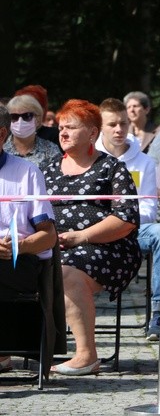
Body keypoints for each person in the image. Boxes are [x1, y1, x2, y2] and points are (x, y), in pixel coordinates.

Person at [43, 99, 141, 375]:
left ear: (92, 133)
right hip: (51, 246)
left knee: (66, 271)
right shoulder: (48, 169)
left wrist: (82, 236)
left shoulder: (112, 168)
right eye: (61, 127)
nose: (62, 133)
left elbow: (126, 219)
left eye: (71, 128)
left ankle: (86, 355)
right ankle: (11, 348)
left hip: (108, 249)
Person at [95, 98, 160, 340]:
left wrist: (121, 220)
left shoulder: (144, 162)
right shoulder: (90, 159)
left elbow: (150, 209)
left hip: (135, 229)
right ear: (99, 127)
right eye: (111, 124)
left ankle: (159, 312)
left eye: (123, 123)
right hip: (95, 233)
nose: (119, 130)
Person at [0, 105, 58, 373]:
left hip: (17, 263)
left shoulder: (27, 173)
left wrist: (20, 245)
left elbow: (48, 237)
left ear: (1, 135)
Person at [3, 94, 60, 168]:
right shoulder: (2, 148)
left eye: (27, 116)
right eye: (14, 116)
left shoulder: (51, 150)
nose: (20, 121)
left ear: (38, 119)